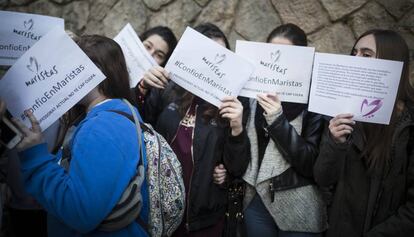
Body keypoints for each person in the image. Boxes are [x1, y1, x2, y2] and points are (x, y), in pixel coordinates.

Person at [12, 35, 149, 237]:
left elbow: (80, 213)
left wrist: (35, 156)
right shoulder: (112, 114)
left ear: (96, 72)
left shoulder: (104, 126)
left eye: (70, 66)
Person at [214, 23, 327, 237]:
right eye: (273, 53)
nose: (278, 62)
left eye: (287, 55)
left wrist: (277, 119)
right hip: (255, 202)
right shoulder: (250, 96)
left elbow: (311, 163)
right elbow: (238, 161)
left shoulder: (313, 102)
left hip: (298, 207)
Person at [137, 23, 251, 236]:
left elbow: (237, 168)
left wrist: (237, 127)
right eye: (210, 53)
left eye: (223, 55)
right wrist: (142, 88)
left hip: (202, 217)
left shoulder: (231, 103)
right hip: (158, 207)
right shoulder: (169, 87)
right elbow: (141, 126)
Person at [313, 29, 414, 237]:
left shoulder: (409, 126)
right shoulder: (345, 113)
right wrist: (334, 142)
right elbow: (323, 178)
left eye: (366, 55)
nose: (356, 60)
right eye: (354, 53)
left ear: (392, 62)